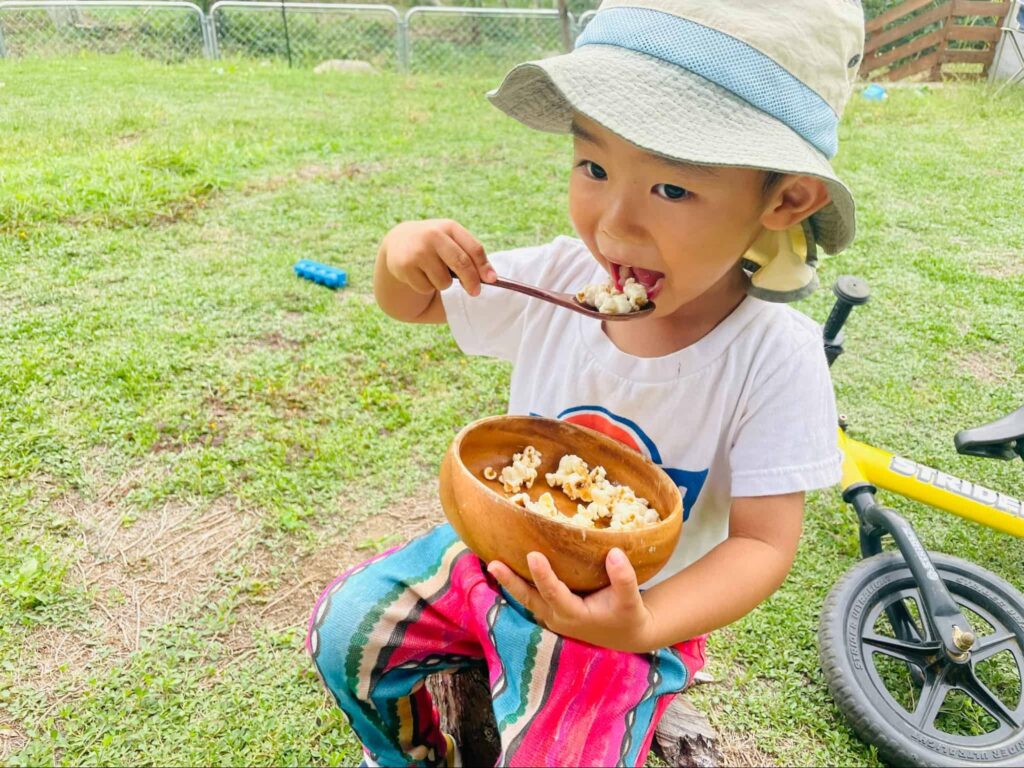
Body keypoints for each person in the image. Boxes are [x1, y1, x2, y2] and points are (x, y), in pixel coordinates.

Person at [307, 0, 865, 765]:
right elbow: (416, 304)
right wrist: (401, 251)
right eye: (593, 167)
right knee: (350, 628)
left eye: (672, 190)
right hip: (492, 556)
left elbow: (764, 545)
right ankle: (421, 752)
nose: (612, 226)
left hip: (629, 609)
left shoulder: (774, 356)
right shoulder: (562, 280)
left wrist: (641, 624)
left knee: (563, 750)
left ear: (785, 199)